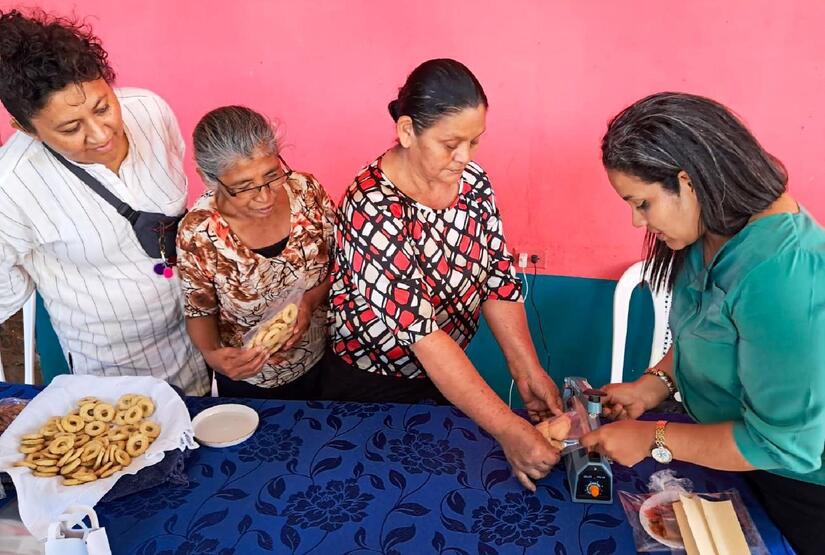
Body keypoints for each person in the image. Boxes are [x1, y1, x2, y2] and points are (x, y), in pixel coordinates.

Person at [581, 92, 825, 554]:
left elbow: (785, 446)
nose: (637, 222)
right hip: (733, 458)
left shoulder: (785, 278)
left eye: (643, 203)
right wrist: (651, 386)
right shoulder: (711, 229)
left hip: (802, 488)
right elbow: (705, 332)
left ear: (687, 182)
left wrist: (652, 437)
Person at [326, 58, 562, 490]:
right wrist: (508, 428)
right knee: (380, 496)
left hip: (445, 377)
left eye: (475, 141)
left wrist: (527, 371)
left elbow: (497, 276)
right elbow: (424, 337)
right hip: (374, 385)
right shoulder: (370, 206)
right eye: (450, 143)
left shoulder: (472, 181)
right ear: (406, 131)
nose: (465, 157)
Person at [0, 10, 208, 394]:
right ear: (26, 129)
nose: (100, 134)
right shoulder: (11, 187)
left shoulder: (150, 110)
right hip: (112, 376)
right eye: (70, 128)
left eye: (103, 107)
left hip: (198, 342)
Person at [177, 106, 334, 399]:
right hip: (250, 382)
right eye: (244, 187)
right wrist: (215, 357)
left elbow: (341, 268)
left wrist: (309, 303)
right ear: (209, 178)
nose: (265, 196)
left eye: (272, 175)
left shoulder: (307, 192)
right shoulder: (199, 232)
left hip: (324, 362)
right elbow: (199, 311)